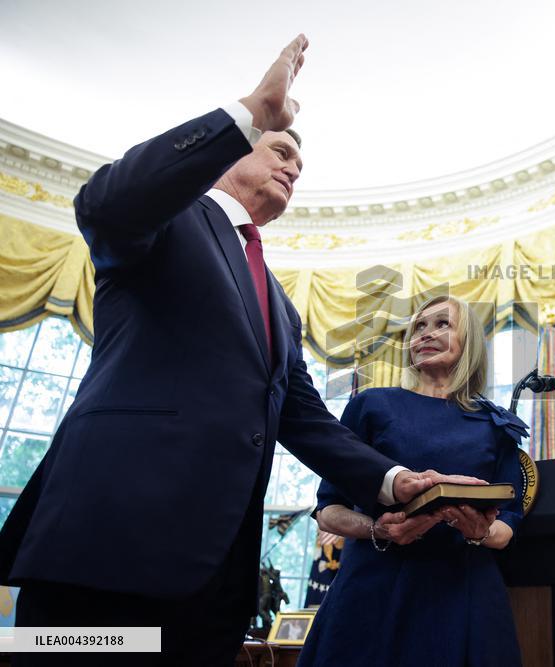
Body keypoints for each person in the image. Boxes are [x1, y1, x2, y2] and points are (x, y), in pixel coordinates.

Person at [0, 35, 475, 665]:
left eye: (298, 168)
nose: (292, 169)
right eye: (279, 152)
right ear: (230, 153)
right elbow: (107, 202)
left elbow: (302, 419)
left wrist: (394, 479)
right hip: (105, 549)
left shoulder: (280, 302)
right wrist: (252, 110)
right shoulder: (168, 218)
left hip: (213, 581)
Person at [298, 295, 525, 667]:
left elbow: (509, 523)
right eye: (418, 327)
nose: (426, 334)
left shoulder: (496, 425)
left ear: (468, 341)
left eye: (441, 324)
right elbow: (328, 511)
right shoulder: (370, 406)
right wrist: (380, 530)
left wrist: (480, 532)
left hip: (464, 589)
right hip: (376, 584)